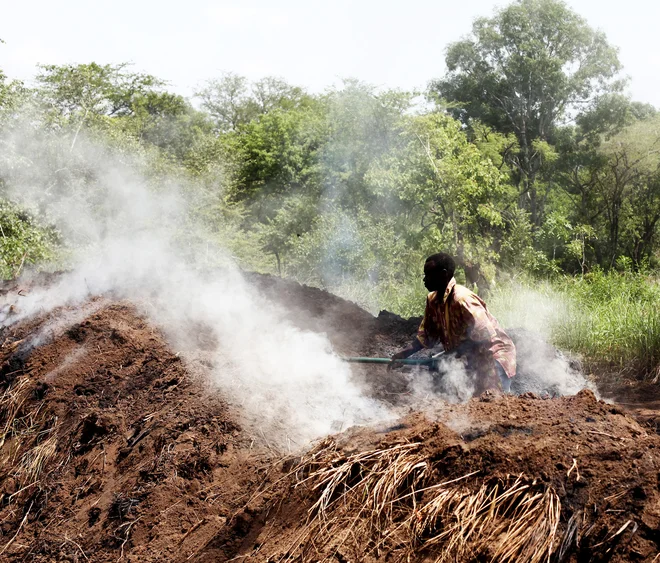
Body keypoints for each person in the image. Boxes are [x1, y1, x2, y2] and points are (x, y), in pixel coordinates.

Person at [391, 253, 516, 394]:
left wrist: (450, 355)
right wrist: (404, 354)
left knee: (492, 399)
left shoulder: (462, 299)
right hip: (471, 358)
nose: (424, 279)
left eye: (429, 274)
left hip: (493, 355)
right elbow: (427, 336)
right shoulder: (433, 301)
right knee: (467, 399)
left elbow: (485, 335)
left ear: (443, 274)